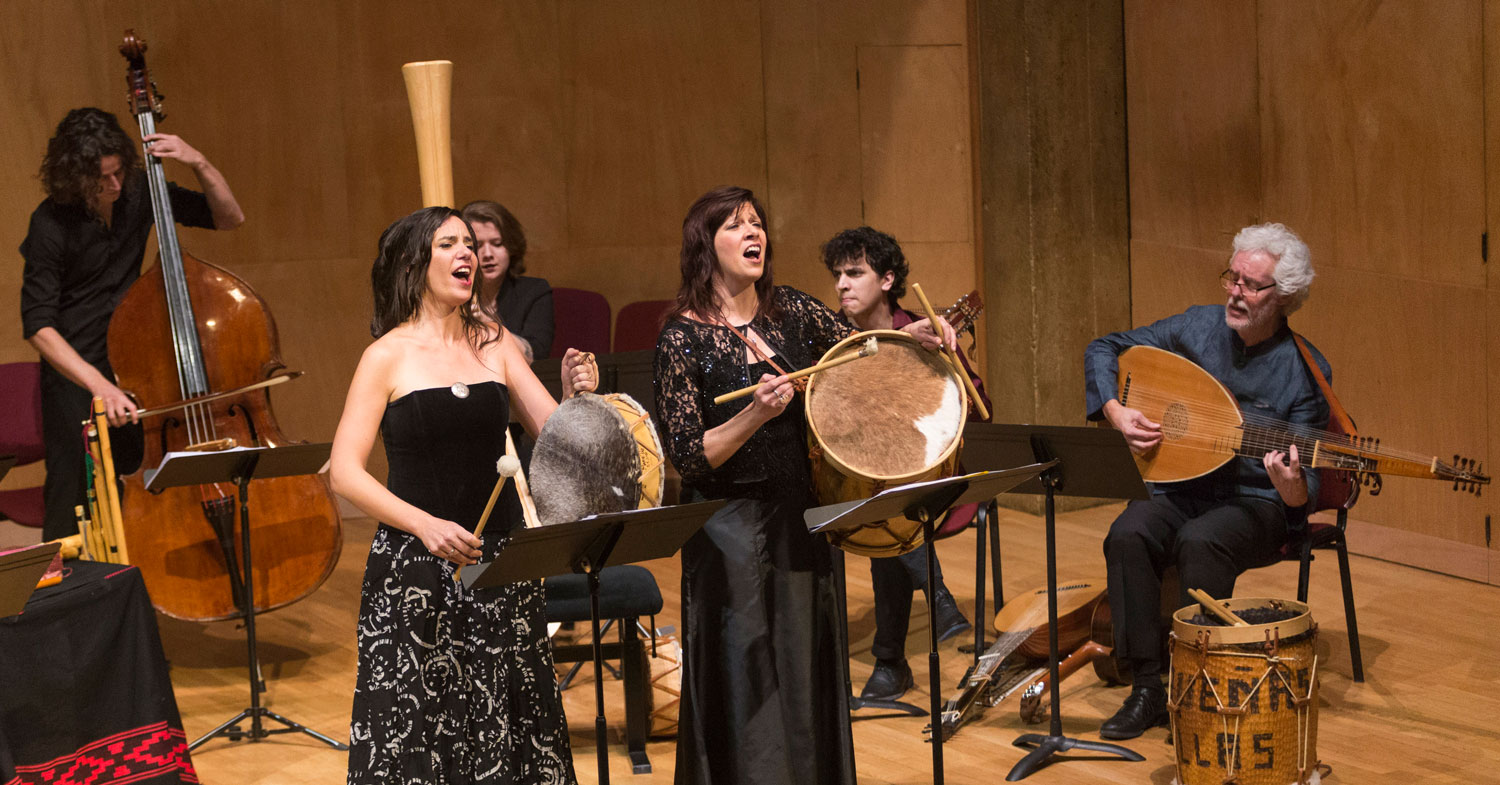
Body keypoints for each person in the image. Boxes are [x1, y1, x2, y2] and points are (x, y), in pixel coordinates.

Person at [653, 187, 953, 785]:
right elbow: (690, 456)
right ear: (704, 245)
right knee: (749, 677)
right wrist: (753, 416)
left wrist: (910, 335)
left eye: (757, 224)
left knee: (805, 666)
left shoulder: (789, 309)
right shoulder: (680, 339)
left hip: (803, 519)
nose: (753, 233)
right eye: (736, 226)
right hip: (728, 531)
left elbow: (859, 356)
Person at [329, 206, 596, 784]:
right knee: (425, 725)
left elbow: (558, 438)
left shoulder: (496, 344)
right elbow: (345, 474)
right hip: (417, 569)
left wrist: (576, 396)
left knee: (506, 719)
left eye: (470, 244)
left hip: (501, 562)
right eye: (450, 243)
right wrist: (425, 526)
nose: (468, 254)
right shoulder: (385, 356)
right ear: (413, 262)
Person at [1083, 222, 1329, 740]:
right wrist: (1116, 411)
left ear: (1282, 297)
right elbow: (1104, 347)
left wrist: (1292, 488)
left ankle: (1196, 689)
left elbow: (1302, 488)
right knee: (1129, 533)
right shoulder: (1196, 328)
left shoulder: (1304, 371)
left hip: (1256, 503)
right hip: (1182, 486)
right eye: (1231, 277)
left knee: (1201, 542)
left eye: (1250, 284)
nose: (1235, 292)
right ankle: (1148, 688)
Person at [20, 107, 243, 542]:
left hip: (135, 369)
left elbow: (228, 217)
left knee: (141, 487)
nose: (115, 185)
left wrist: (199, 161)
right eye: (101, 179)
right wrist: (98, 386)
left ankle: (135, 593)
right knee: (73, 500)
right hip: (75, 378)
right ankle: (65, 604)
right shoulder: (49, 223)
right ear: (73, 177)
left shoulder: (139, 192)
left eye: (119, 172)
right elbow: (38, 325)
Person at [821, 226, 991, 702]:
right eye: (838, 275)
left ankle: (892, 661)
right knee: (880, 497)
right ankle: (933, 604)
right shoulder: (829, 337)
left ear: (889, 279)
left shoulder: (926, 333)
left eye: (855, 273)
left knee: (890, 500)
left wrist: (952, 361)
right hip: (840, 479)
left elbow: (978, 408)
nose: (842, 285)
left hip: (923, 478)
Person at [460, 200, 553, 362]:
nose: (488, 254)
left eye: (497, 243)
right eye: (478, 245)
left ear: (511, 246)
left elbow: (537, 354)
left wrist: (488, 324)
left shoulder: (534, 291)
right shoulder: (455, 294)